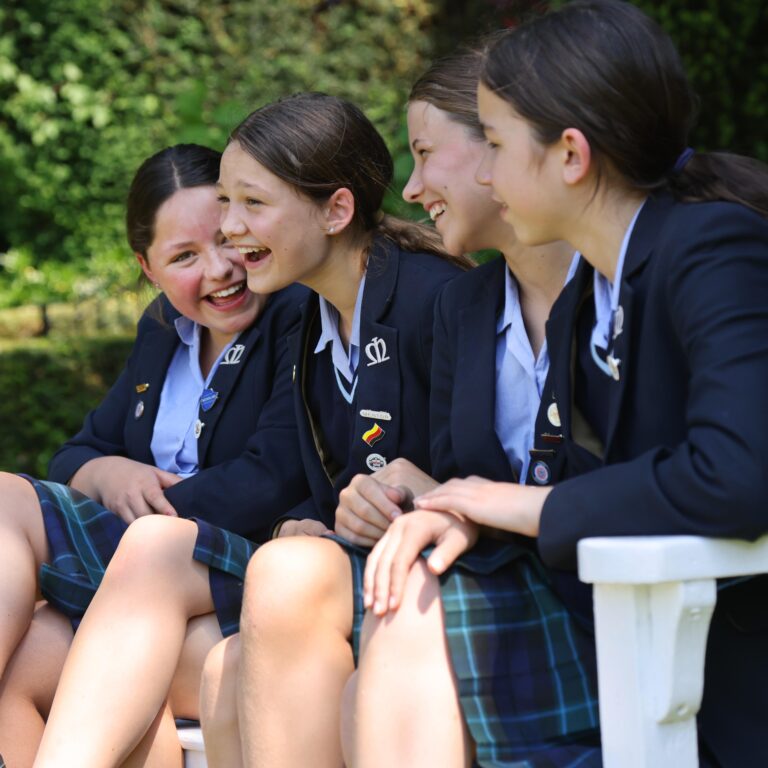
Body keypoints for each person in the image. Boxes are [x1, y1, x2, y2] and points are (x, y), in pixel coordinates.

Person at [354, 2, 768, 767]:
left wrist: (520, 504)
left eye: (499, 146)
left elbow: (741, 475)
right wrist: (467, 513)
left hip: (728, 688)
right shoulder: (596, 292)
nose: (484, 173)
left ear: (570, 155)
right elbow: (597, 479)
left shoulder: (713, 247)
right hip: (635, 650)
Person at [32, 92, 469, 768]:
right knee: (134, 579)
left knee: (178, 592)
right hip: (312, 566)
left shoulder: (425, 298)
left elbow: (466, 469)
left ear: (336, 210)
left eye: (248, 205)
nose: (230, 232)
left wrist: (372, 505)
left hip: (415, 582)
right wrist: (306, 518)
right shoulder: (320, 313)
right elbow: (323, 480)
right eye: (226, 204)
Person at [223, 48, 585, 768]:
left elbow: (700, 475)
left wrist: (458, 501)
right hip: (468, 574)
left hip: (585, 598)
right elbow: (445, 477)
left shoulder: (629, 285)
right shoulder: (471, 303)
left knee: (287, 587)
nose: (413, 188)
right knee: (257, 612)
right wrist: (391, 498)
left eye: (425, 155)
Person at [0, 142, 310, 767]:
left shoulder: (295, 314)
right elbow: (77, 452)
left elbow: (272, 477)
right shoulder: (165, 328)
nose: (221, 268)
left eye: (228, 239)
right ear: (149, 268)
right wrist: (105, 471)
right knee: (25, 657)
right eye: (185, 256)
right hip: (142, 581)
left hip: (235, 563)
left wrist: (137, 525)